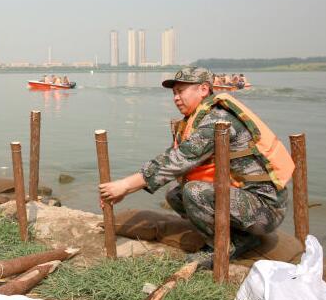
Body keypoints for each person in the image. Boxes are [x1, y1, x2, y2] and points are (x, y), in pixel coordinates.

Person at [99, 66, 293, 268]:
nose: (176, 98)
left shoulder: (217, 119)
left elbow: (178, 160)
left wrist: (125, 186)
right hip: (244, 199)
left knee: (194, 192)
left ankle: (224, 246)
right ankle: (241, 236)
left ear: (203, 89)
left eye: (181, 91)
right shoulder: (197, 119)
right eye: (174, 93)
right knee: (176, 195)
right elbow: (171, 157)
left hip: (265, 208)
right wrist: (128, 185)